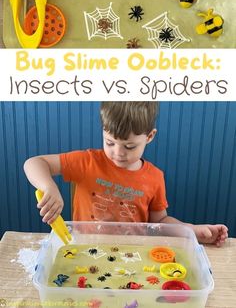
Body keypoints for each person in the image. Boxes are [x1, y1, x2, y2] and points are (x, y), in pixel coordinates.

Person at [24, 102, 228, 246]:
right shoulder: (87, 161)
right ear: (103, 130)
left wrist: (191, 230)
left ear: (149, 136)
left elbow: (159, 222)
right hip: (84, 248)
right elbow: (34, 163)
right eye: (110, 142)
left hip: (133, 254)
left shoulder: (155, 177)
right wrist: (48, 186)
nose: (118, 153)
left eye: (129, 146)